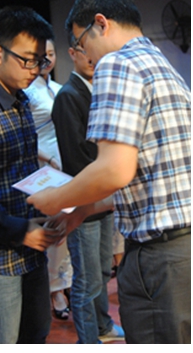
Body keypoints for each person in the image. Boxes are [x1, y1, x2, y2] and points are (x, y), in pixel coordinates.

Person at [27, 0, 191, 344]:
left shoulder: (117, 63)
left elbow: (114, 170)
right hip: (184, 248)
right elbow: (150, 176)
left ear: (101, 23)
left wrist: (56, 199)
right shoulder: (160, 63)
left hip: (158, 256)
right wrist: (84, 209)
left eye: (82, 43)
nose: (86, 55)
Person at [0, 6, 62, 344]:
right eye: (27, 60)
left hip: (32, 245)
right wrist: (18, 230)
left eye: (40, 61)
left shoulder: (22, 99)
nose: (35, 70)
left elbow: (22, 169)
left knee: (36, 335)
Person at [51, 35, 125, 343]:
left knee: (103, 271)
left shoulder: (98, 88)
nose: (93, 58)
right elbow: (75, 156)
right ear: (73, 53)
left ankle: (103, 325)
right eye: (85, 52)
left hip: (104, 196)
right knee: (87, 278)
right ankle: (88, 340)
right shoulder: (68, 95)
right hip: (86, 199)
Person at [24, 39, 72, 321]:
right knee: (52, 223)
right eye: (43, 55)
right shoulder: (27, 92)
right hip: (42, 162)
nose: (48, 59)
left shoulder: (58, 87)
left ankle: (65, 282)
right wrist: (48, 158)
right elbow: (27, 132)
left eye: (52, 54)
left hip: (63, 159)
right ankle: (55, 290)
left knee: (67, 223)